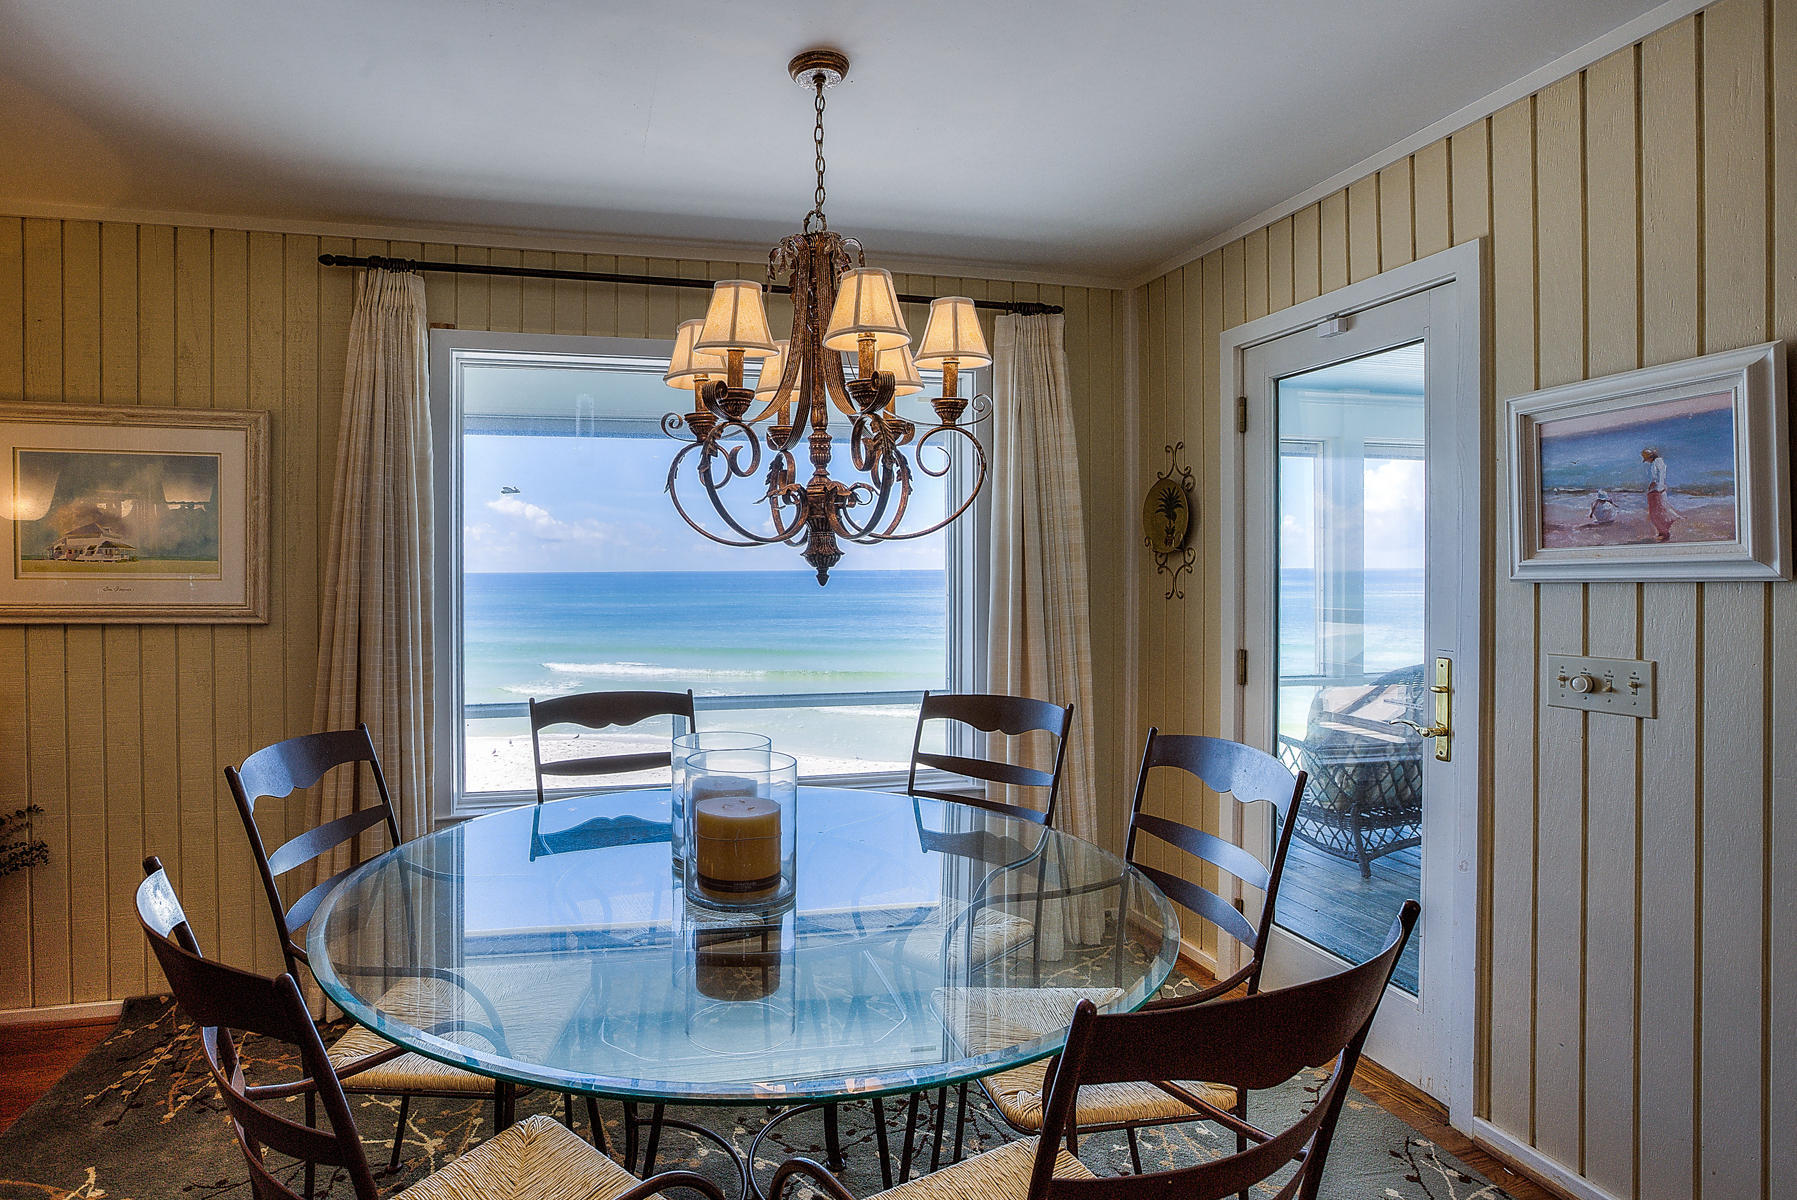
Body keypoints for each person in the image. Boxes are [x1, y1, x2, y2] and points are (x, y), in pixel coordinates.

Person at [1641, 448, 1677, 542]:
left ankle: (1664, 533)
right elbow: (1656, 477)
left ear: (1650, 457)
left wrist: (1658, 486)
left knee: (1659, 513)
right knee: (1656, 513)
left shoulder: (1658, 462)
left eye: (1647, 459)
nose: (1647, 461)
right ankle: (1662, 532)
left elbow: (1659, 476)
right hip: (1655, 490)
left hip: (1658, 490)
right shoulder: (1655, 463)